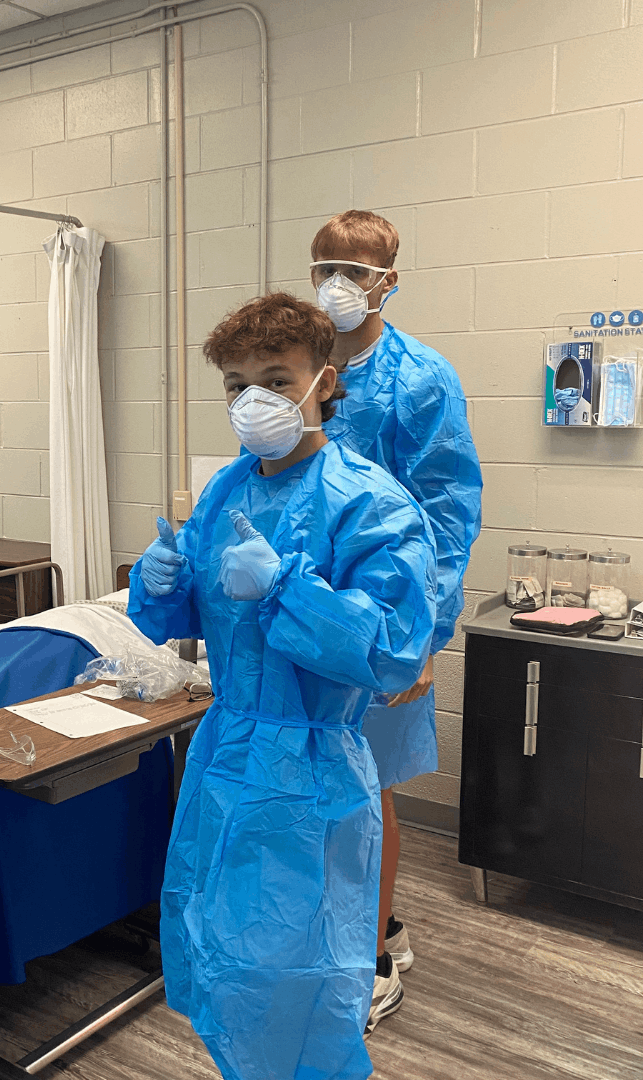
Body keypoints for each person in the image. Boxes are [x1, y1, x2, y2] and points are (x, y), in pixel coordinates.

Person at [128, 292, 437, 1080]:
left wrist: (285, 592)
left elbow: (395, 648)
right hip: (224, 754)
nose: (252, 400)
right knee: (224, 961)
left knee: (302, 978)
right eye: (236, 384)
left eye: (274, 377)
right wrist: (161, 586)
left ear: (322, 380)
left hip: (311, 772)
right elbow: (191, 617)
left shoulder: (369, 501)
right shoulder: (227, 490)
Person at [310, 210, 483, 1022]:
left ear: (388, 278)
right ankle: (363, 924)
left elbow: (449, 514)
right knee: (317, 789)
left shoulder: (420, 377)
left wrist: (419, 642)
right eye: (324, 267)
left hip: (386, 618)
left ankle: (373, 953)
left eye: (352, 268)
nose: (336, 284)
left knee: (366, 793)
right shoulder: (305, 369)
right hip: (309, 616)